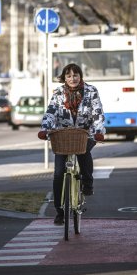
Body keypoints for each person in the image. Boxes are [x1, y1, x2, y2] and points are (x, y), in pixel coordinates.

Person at [37, 63, 106, 225]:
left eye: (75, 75)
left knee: (84, 153)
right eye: (69, 76)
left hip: (85, 133)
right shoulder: (58, 93)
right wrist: (45, 129)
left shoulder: (91, 91)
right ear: (64, 78)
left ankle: (88, 184)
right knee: (58, 173)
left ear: (80, 76)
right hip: (63, 134)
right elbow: (51, 112)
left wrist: (98, 131)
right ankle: (60, 211)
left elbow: (97, 112)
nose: (72, 78)